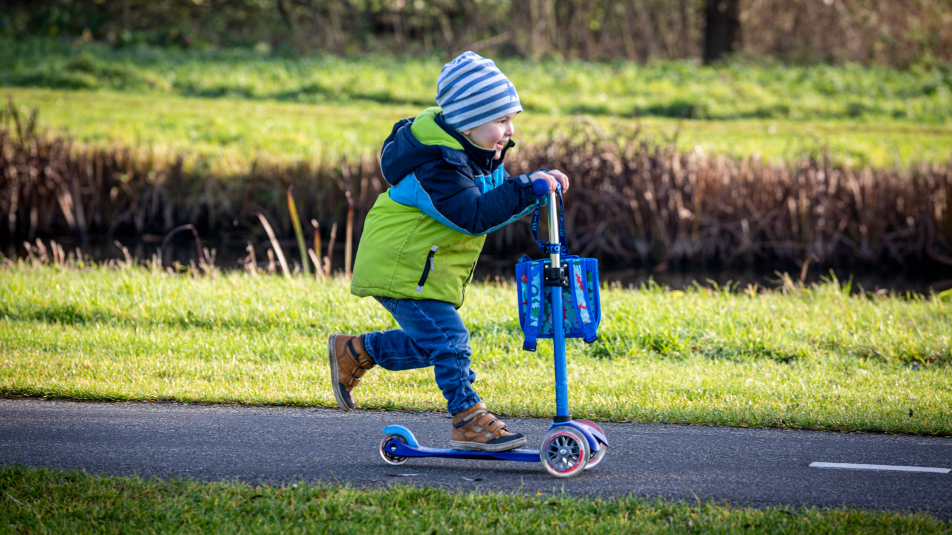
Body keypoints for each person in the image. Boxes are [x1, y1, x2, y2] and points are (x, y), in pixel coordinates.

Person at [328, 51, 569, 452]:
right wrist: (526, 187)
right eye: (501, 121)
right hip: (399, 266)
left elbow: (493, 205)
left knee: (432, 343)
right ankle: (468, 418)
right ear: (468, 122)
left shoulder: (477, 154)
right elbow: (471, 215)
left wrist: (536, 191)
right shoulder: (437, 165)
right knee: (450, 340)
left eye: (512, 119)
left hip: (420, 267)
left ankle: (356, 351)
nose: (510, 130)